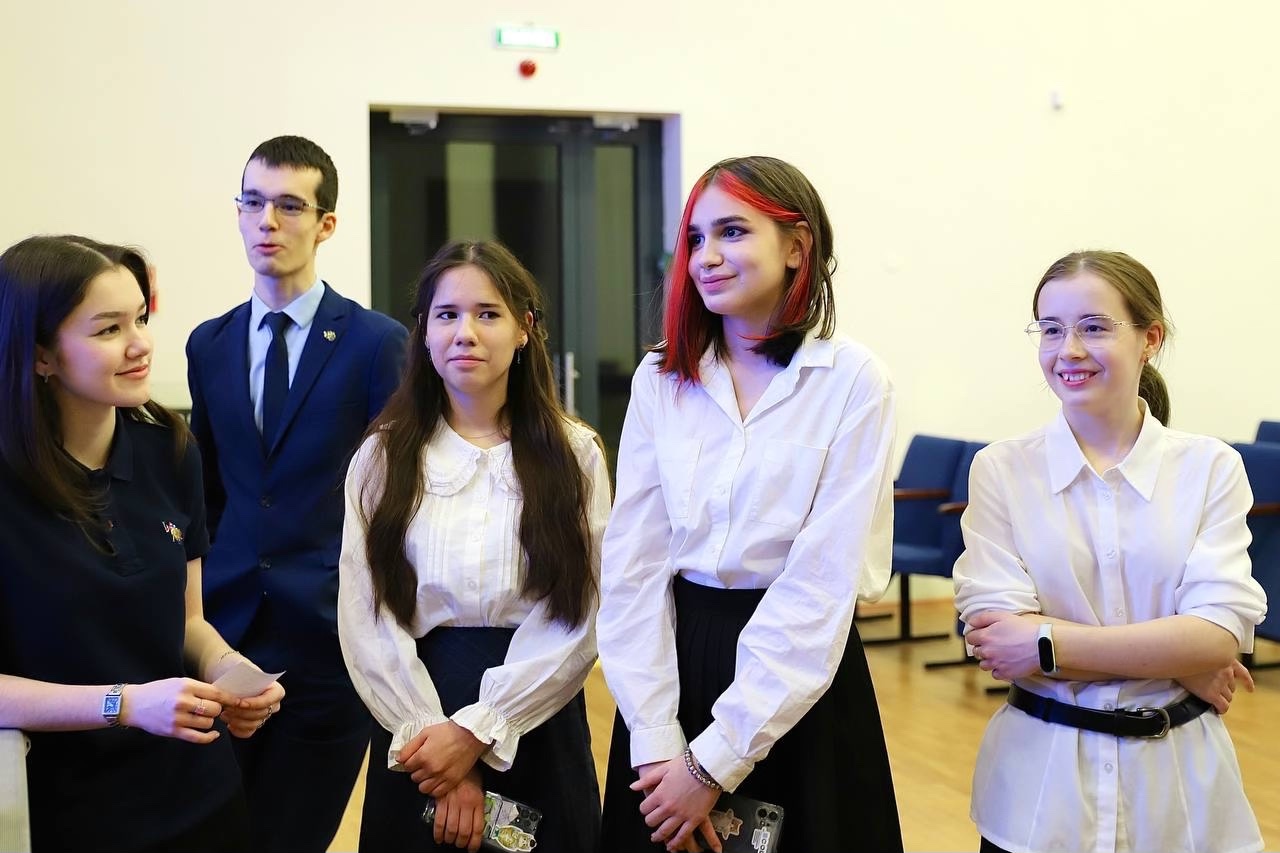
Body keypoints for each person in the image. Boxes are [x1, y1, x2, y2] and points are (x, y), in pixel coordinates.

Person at [596, 156, 904, 853]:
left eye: (731, 232)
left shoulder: (853, 380)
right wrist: (655, 738)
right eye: (695, 238)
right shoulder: (660, 377)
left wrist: (715, 760)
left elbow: (821, 582)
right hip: (672, 666)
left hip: (795, 679)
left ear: (797, 247)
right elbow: (634, 563)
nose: (705, 256)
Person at [955, 250, 1268, 853]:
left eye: (1094, 327)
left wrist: (1043, 642)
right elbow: (999, 642)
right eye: (1051, 330)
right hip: (1038, 799)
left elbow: (1217, 638)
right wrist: (1177, 659)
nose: (1068, 350)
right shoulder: (1001, 470)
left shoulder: (1210, 468)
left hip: (1180, 797)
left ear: (1150, 339)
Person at [0, 235, 283, 852]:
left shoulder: (170, 451)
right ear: (41, 355)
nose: (140, 345)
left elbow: (188, 622)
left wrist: (230, 671)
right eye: (109, 329)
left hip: (200, 794)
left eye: (141, 320)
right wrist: (124, 705)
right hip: (68, 811)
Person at [338, 239, 610, 853]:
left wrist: (481, 732)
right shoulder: (383, 457)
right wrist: (434, 742)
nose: (465, 332)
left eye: (488, 314)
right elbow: (365, 615)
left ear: (524, 329)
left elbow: (582, 613)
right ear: (424, 332)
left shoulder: (575, 455)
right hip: (415, 721)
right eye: (447, 315)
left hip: (535, 714)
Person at [186, 135, 409, 852]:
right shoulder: (208, 344)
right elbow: (208, 491)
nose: (267, 221)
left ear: (325, 224)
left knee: (293, 835)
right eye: (253, 202)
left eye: (288, 205)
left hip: (329, 638)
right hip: (224, 634)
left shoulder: (375, 343)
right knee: (216, 834)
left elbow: (394, 498)